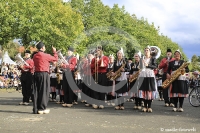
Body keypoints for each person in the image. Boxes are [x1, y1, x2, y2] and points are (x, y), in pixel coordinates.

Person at [32, 41, 58, 114]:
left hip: (36, 74)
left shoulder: (35, 56)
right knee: (44, 91)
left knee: (37, 91)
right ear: (42, 48)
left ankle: (36, 108)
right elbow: (55, 59)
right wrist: (55, 52)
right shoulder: (46, 55)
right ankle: (42, 108)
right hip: (44, 74)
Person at [138, 46, 158, 113]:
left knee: (149, 90)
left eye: (147, 50)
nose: (146, 51)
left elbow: (155, 66)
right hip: (143, 75)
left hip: (150, 74)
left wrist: (147, 65)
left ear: (150, 51)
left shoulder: (153, 58)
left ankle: (149, 106)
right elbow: (140, 67)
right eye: (145, 50)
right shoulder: (142, 58)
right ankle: (144, 106)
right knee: (144, 90)